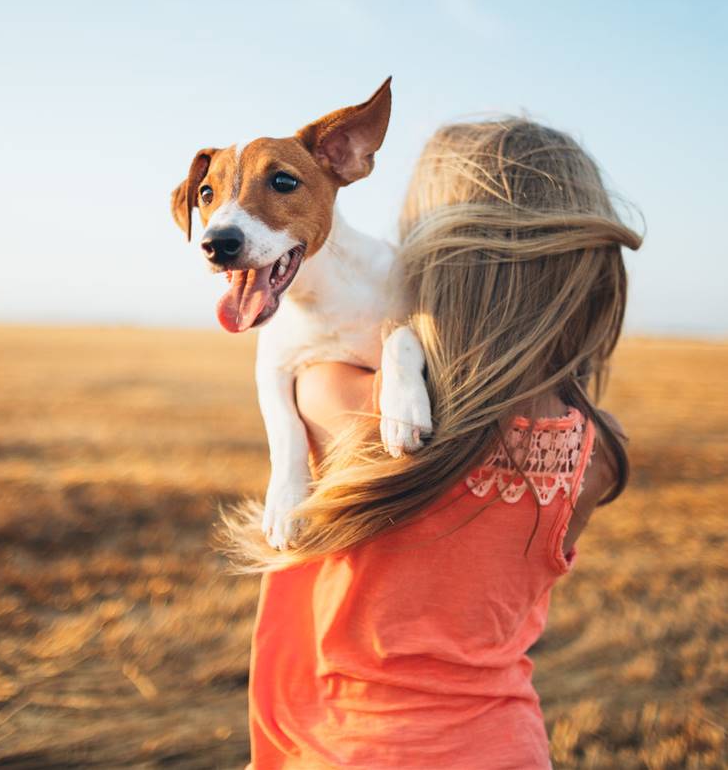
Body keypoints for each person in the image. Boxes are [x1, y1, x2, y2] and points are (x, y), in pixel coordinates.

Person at [223, 118, 643, 769]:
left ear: (429, 255)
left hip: (343, 749)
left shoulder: (333, 395)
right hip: (508, 749)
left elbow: (291, 354)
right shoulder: (602, 449)